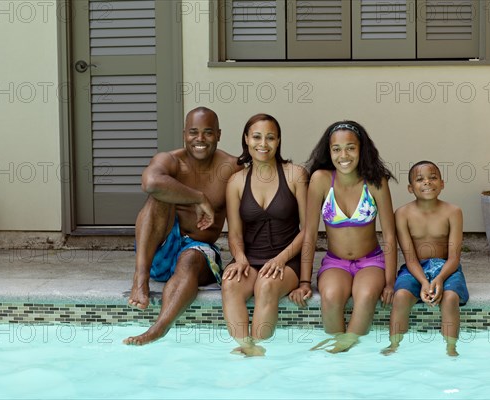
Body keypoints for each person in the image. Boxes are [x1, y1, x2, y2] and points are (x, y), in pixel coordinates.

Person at [124, 107, 241, 345]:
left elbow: (242, 218)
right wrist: (199, 197)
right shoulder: (170, 160)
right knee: (159, 195)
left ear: (219, 134)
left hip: (199, 254)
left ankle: (158, 328)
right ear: (184, 134)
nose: (200, 139)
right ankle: (140, 278)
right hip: (161, 250)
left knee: (190, 258)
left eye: (208, 133)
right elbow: (151, 182)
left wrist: (240, 259)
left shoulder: (231, 167)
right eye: (193, 132)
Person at [289, 120, 397, 353]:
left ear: (361, 149)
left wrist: (390, 282)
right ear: (329, 152)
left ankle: (343, 351)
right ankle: (343, 351)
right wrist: (304, 281)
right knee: (329, 297)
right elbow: (309, 234)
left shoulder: (376, 181)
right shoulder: (320, 180)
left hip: (371, 261)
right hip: (335, 262)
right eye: (336, 149)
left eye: (350, 147)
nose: (343, 155)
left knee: (367, 295)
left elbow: (389, 235)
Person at [222, 114, 308, 356]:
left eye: (270, 137)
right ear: (246, 140)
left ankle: (261, 348)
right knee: (229, 285)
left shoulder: (295, 175)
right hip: (249, 258)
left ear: (278, 141)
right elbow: (235, 234)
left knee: (267, 284)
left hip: (287, 259)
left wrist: (281, 259)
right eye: (257, 137)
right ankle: (246, 347)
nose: (263, 143)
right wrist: (239, 259)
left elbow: (309, 230)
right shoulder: (236, 182)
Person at [381, 160, 469, 356]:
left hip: (446, 267)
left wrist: (438, 279)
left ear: (442, 183)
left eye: (433, 177)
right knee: (401, 296)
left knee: (450, 298)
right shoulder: (402, 214)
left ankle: (451, 348)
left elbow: (454, 258)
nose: (427, 182)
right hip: (415, 268)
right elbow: (410, 258)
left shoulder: (453, 212)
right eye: (420, 179)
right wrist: (423, 281)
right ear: (410, 188)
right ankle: (394, 345)